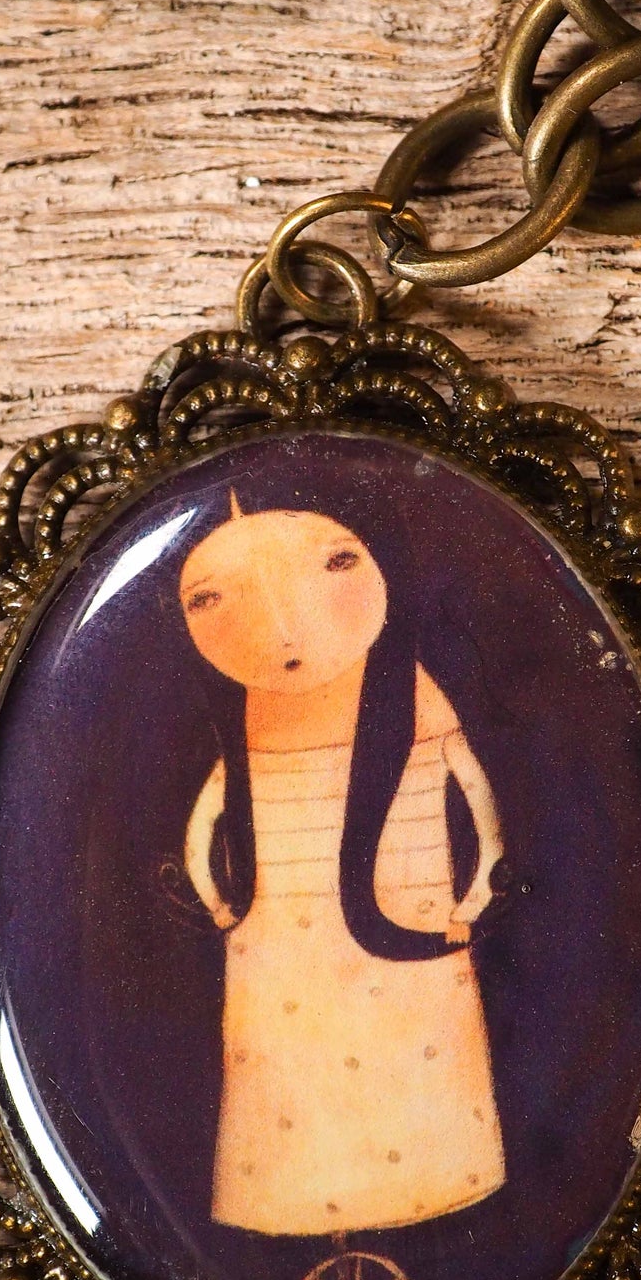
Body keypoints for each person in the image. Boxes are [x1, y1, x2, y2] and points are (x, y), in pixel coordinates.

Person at [178, 490, 506, 1237]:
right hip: (278, 946)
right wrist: (218, 902)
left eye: (336, 563)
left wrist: (476, 892)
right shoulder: (248, 714)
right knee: (289, 1085)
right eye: (208, 598)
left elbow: (479, 804)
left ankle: (434, 1194)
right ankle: (294, 1207)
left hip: (408, 925)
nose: (283, 628)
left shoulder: (412, 692)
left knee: (414, 1069)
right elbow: (207, 820)